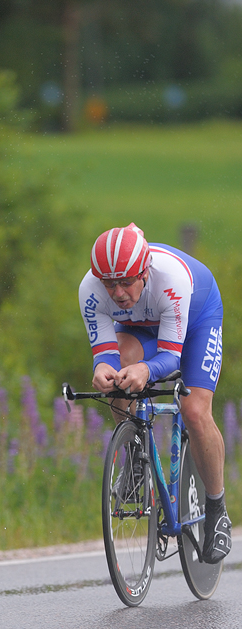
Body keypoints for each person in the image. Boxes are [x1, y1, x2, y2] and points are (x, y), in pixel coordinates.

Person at [78, 222, 231, 564]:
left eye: (126, 282)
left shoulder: (170, 280)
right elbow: (105, 352)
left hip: (195, 320)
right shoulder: (90, 289)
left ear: (144, 272)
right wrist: (103, 369)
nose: (117, 293)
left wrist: (146, 370)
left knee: (194, 411)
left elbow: (170, 360)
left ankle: (217, 508)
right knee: (120, 373)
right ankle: (134, 454)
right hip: (139, 324)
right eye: (110, 284)